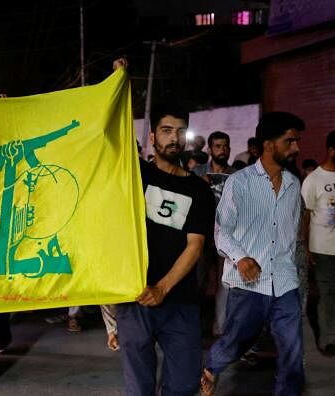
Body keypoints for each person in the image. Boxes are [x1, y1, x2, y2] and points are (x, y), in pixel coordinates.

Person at [201, 111, 305, 396]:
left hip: (284, 281)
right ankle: (211, 366)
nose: (296, 148)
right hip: (249, 284)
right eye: (290, 141)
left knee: (293, 349)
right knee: (237, 341)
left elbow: (292, 233)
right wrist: (242, 258)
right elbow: (221, 230)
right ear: (269, 144)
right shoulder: (240, 183)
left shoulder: (294, 186)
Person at [116, 104, 215, 395]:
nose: (174, 138)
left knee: (184, 384)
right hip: (134, 298)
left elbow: (195, 246)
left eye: (180, 131)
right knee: (139, 387)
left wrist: (162, 288)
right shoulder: (134, 176)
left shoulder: (199, 190)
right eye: (166, 130)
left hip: (179, 300)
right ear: (152, 138)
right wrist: (118, 84)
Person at [192, 131, 236, 336]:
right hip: (201, 235)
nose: (223, 150)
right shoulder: (198, 172)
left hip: (227, 236)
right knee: (197, 282)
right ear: (209, 149)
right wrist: (199, 185)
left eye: (225, 146)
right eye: (218, 146)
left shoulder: (237, 174)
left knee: (224, 284)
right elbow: (186, 198)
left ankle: (220, 328)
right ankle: (191, 326)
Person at [301, 130, 335, 355]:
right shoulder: (314, 179)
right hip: (323, 248)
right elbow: (305, 216)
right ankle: (328, 339)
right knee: (327, 293)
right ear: (331, 150)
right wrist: (306, 247)